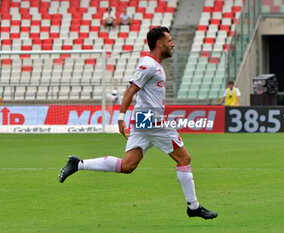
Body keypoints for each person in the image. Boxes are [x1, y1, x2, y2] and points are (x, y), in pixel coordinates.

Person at [59, 26, 218, 220]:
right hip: (151, 120)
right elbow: (130, 90)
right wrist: (120, 118)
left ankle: (79, 164)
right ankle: (193, 206)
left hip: (144, 119)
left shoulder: (154, 65)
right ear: (159, 43)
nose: (172, 44)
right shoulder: (148, 65)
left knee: (128, 165)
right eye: (169, 41)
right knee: (184, 159)